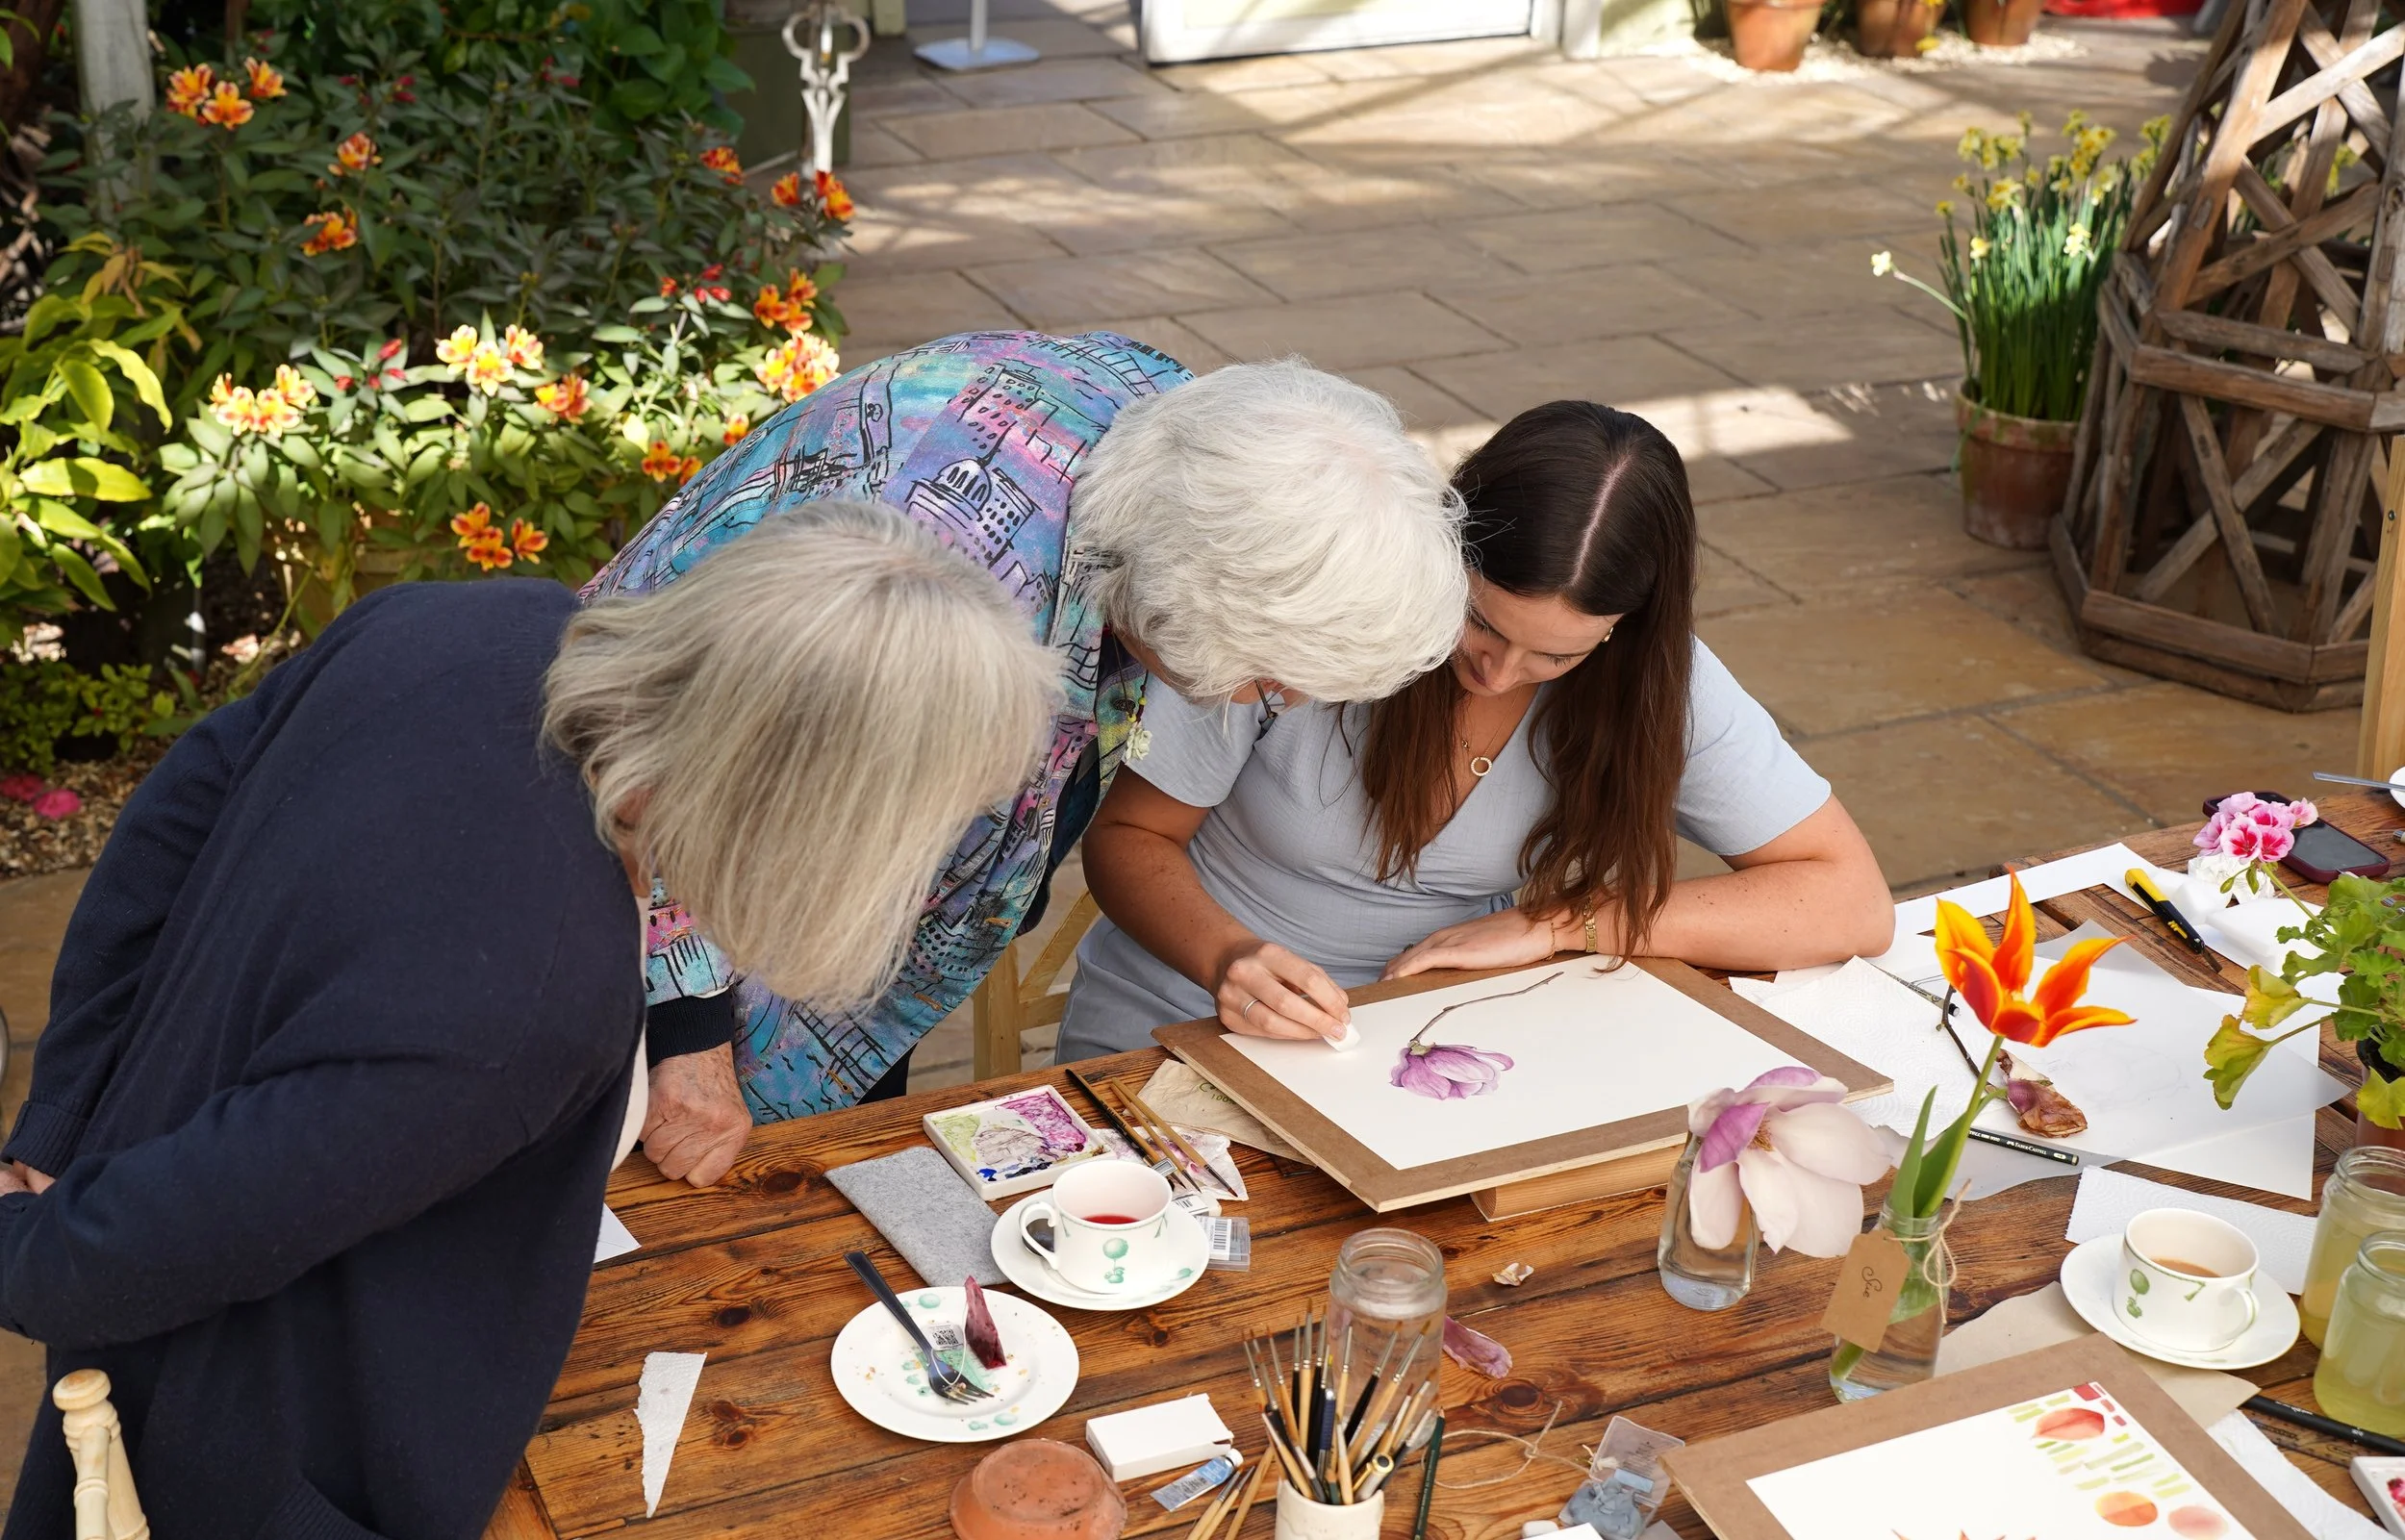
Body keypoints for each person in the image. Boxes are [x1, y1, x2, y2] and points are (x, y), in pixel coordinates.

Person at [0, 503, 1058, 1539]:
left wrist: (65, 1116)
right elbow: (170, 1234)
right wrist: (25, 1236)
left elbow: (174, 813)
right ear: (817, 803)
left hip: (201, 1263)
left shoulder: (479, 626)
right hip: (265, 1453)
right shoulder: (530, 996)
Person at [593, 330, 1467, 1129]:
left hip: (843, 916)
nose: (1278, 698)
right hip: (651, 914)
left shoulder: (1189, 442)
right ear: (1192, 598)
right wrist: (688, 1041)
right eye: (1271, 675)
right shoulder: (937, 584)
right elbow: (674, 775)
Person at [1055, 400, 1894, 1060]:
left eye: (1555, 657)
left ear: (1622, 632)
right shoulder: (1325, 603)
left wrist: (1561, 923)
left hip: (1438, 1042)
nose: (1497, 674)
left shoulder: (1658, 681)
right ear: (1447, 552)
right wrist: (1228, 958)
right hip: (1189, 1014)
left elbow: (1849, 902)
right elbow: (1128, 837)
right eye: (1480, 624)